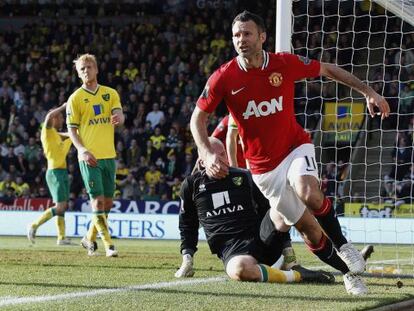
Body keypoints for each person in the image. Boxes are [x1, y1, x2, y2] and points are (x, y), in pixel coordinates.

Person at [190, 11, 390, 295]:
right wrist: (207, 152)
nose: (241, 40)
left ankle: (345, 247)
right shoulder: (224, 77)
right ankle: (349, 274)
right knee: (309, 230)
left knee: (308, 191)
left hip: (295, 147)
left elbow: (328, 70)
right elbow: (197, 118)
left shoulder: (284, 63)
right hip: (263, 170)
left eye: (247, 34)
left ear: (262, 37)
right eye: (236, 35)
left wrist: (368, 91)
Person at [176, 137, 335, 285]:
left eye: (223, 154)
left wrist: (290, 258)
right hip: (232, 250)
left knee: (285, 201)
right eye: (213, 156)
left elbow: (272, 208)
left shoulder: (244, 176)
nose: (221, 159)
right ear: (203, 161)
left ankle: (303, 261)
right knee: (239, 270)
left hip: (263, 238)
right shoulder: (192, 185)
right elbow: (187, 225)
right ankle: (299, 277)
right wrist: (187, 259)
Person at [67, 53, 125, 257]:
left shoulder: (110, 93)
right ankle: (109, 245)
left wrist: (119, 116)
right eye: (82, 69)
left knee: (107, 204)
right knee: (97, 203)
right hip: (89, 157)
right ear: (78, 73)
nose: (85, 71)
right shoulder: (75, 98)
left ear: (96, 69)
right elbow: (72, 130)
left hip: (109, 156)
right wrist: (82, 150)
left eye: (89, 67)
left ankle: (88, 238)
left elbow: (119, 114)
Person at [27, 103, 72, 245]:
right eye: (60, 118)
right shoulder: (46, 131)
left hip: (62, 172)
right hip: (55, 173)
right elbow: (48, 116)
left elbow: (68, 135)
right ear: (55, 118)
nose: (62, 121)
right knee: (59, 206)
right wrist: (64, 106)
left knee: (63, 206)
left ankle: (61, 238)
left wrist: (75, 131)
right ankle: (33, 225)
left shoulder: (56, 134)